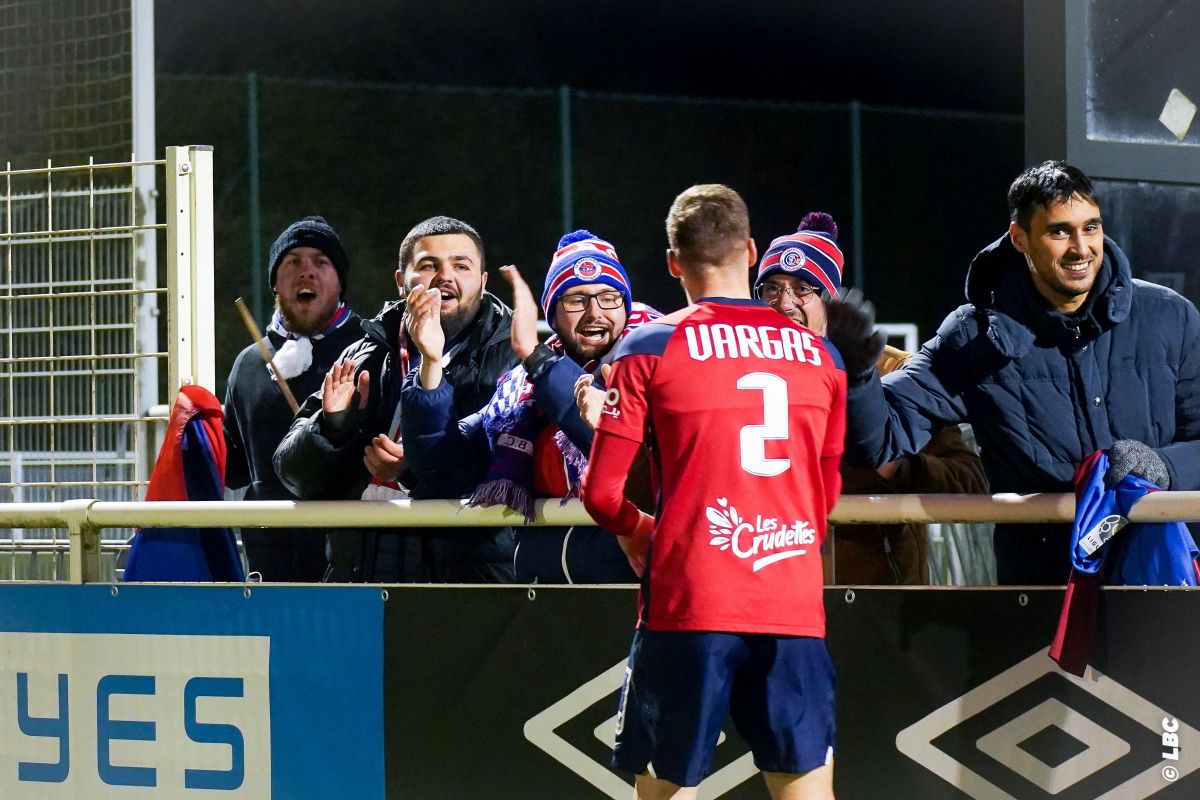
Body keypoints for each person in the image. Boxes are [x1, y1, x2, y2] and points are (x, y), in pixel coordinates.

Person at [581, 184, 845, 799]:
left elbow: (601, 494)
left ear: (673, 262)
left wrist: (643, 531)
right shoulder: (823, 356)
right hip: (791, 603)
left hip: (690, 603)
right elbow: (824, 496)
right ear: (752, 251)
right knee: (806, 792)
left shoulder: (647, 347)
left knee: (669, 791)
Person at [828, 161, 1200, 585]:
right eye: (1060, 231)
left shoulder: (1170, 316)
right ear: (1019, 238)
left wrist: (1163, 466)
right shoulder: (972, 336)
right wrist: (857, 376)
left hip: (1160, 580)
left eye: (1091, 227)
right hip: (1040, 591)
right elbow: (882, 440)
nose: (1081, 248)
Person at [402, 231, 659, 583]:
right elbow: (444, 469)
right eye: (576, 300)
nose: (595, 313)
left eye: (609, 297)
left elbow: (639, 472)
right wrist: (430, 364)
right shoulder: (522, 386)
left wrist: (538, 359)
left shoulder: (656, 362)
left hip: (632, 587)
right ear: (552, 315)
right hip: (544, 598)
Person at [273, 216, 518, 582]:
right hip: (359, 580)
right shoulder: (364, 353)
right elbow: (292, 474)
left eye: (461, 266)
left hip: (466, 588)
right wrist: (331, 428)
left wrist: (411, 471)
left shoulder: (513, 358)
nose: (444, 277)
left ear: (482, 283)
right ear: (400, 282)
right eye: (427, 266)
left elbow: (501, 472)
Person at [753, 211, 989, 585]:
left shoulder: (893, 370)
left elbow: (971, 482)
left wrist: (899, 468)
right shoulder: (743, 373)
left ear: (830, 300)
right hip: (774, 590)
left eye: (802, 289)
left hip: (882, 601)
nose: (784, 304)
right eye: (772, 289)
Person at [223, 215, 362, 581]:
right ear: (275, 284)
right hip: (271, 567)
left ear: (340, 281)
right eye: (292, 262)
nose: (307, 272)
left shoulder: (372, 350)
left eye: (321, 262)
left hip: (355, 569)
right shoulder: (249, 364)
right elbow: (234, 468)